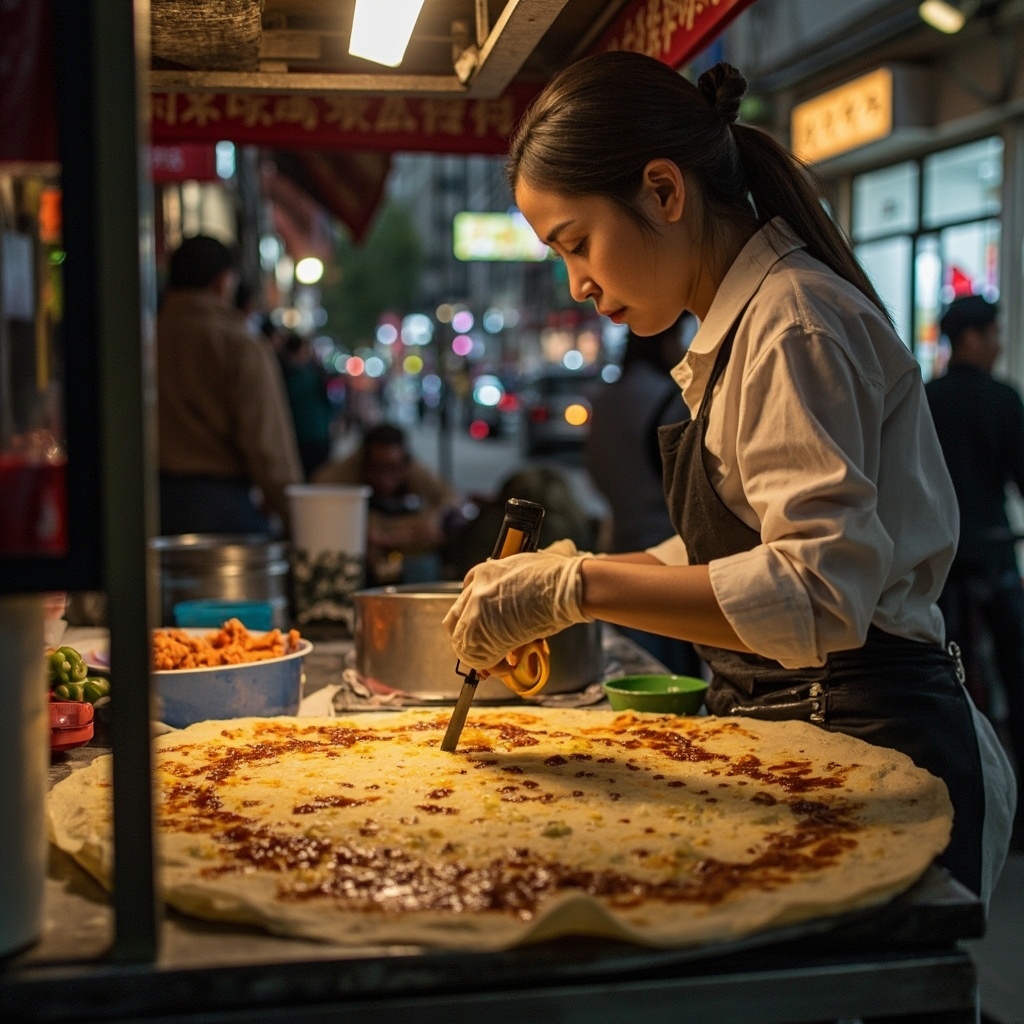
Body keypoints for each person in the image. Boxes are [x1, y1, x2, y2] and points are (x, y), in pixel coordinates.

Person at [443, 51, 1016, 907]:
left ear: (664, 193)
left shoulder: (794, 323)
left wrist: (578, 587)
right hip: (804, 739)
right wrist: (549, 577)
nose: (580, 284)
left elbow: (821, 592)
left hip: (874, 749)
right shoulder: (740, 328)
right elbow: (726, 548)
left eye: (578, 244)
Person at [925, 294, 1024, 846]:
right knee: (1016, 674)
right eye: (993, 333)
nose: (999, 344)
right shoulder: (1002, 399)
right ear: (971, 339)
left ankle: (960, 801)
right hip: (995, 557)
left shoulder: (926, 398)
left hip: (942, 566)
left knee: (952, 682)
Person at [157, 235, 303, 537]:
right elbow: (267, 448)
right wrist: (295, 515)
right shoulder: (239, 345)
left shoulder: (146, 338)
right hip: (222, 509)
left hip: (148, 504)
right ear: (224, 283)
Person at [585, 316, 703, 677]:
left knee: (634, 669)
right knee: (674, 679)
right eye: (679, 338)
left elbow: (594, 469)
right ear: (664, 342)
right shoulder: (674, 397)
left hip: (622, 545)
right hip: (673, 557)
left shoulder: (606, 398)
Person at [312, 423, 464, 585]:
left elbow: (451, 497)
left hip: (406, 554)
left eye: (392, 468)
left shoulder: (412, 469)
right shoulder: (342, 473)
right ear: (364, 463)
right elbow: (315, 499)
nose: (384, 479)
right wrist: (362, 527)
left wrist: (434, 518)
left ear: (405, 464)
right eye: (377, 468)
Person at [278, 331, 335, 480]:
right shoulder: (314, 374)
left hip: (295, 437)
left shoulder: (282, 374)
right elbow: (332, 402)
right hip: (316, 437)